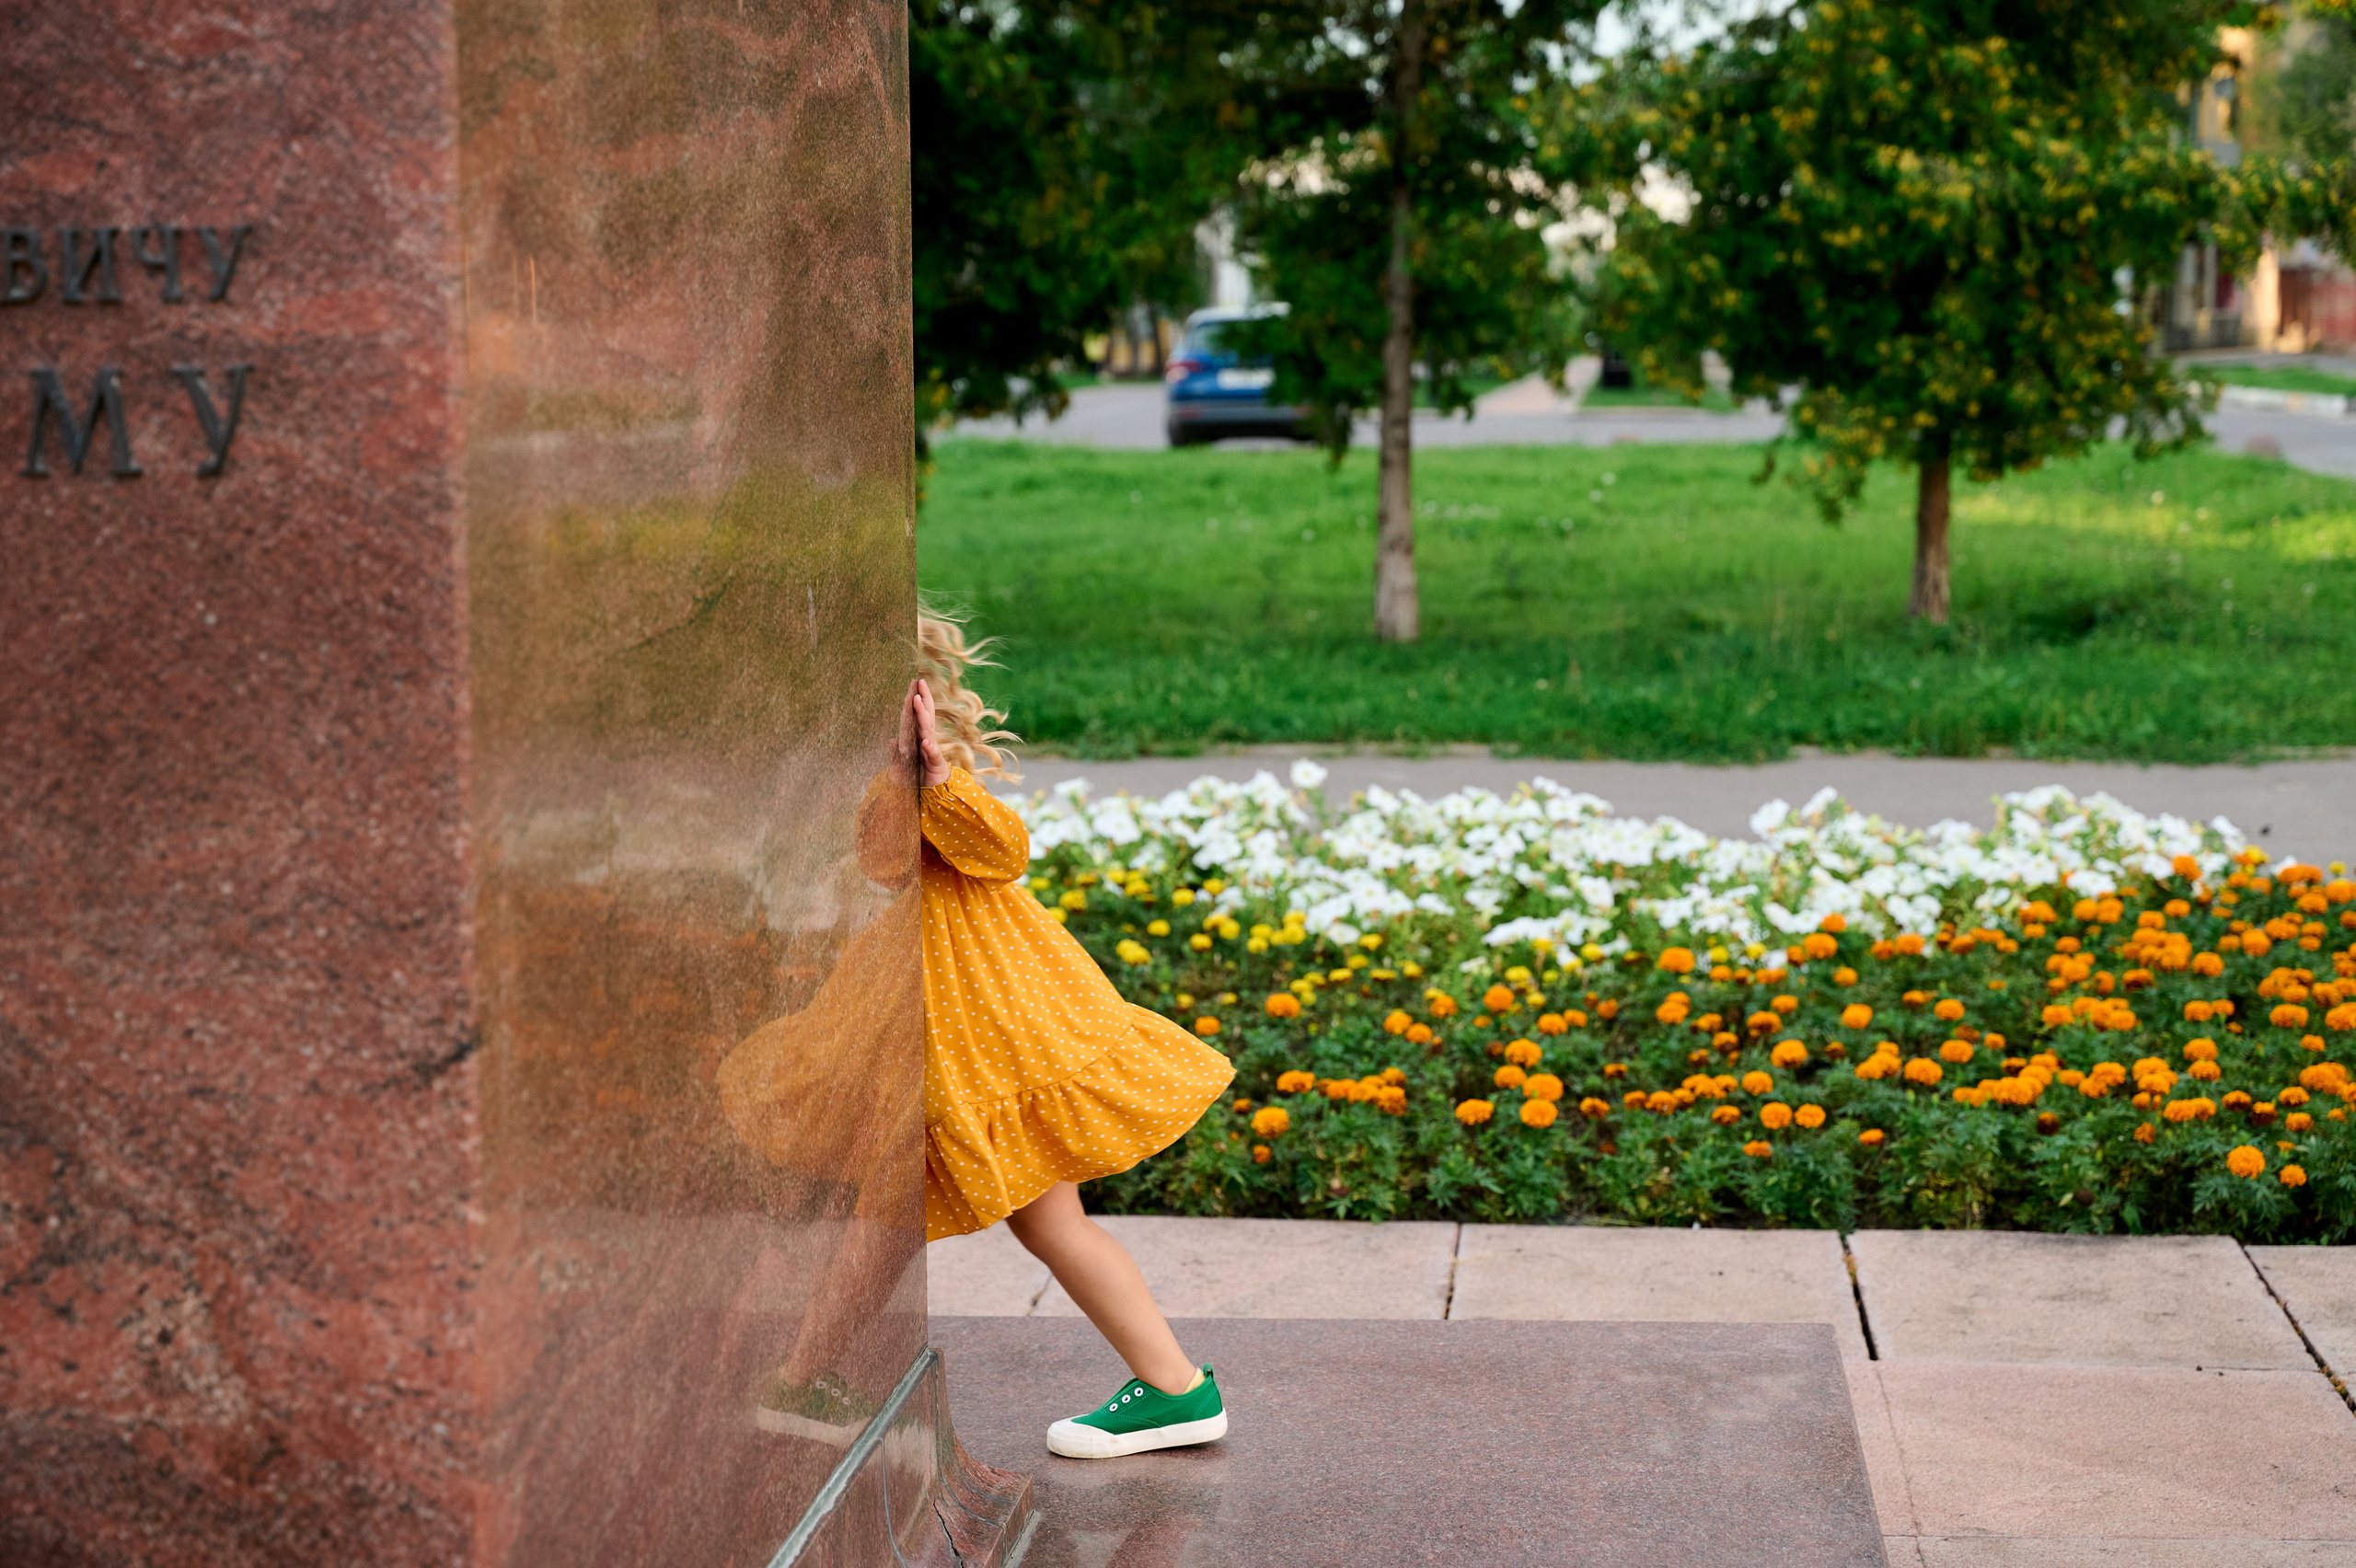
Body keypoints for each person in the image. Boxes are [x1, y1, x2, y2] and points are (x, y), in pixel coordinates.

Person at [905, 612, 1234, 1459]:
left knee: (1037, 1220)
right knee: (1030, 1220)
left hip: (988, 1021)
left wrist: (938, 778)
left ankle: (1174, 1389)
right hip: (955, 1015)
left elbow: (1006, 848)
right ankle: (1173, 1387)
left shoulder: (920, 768)